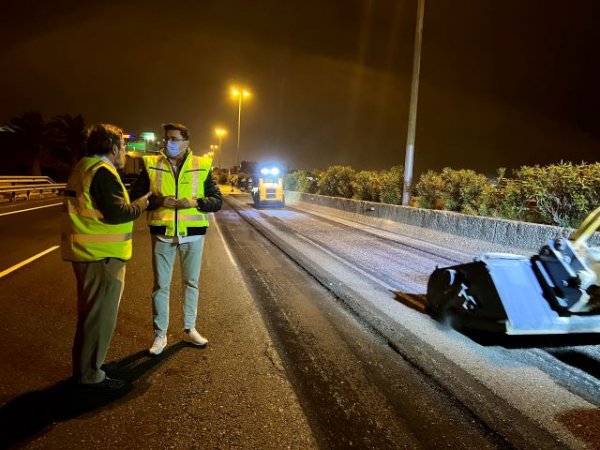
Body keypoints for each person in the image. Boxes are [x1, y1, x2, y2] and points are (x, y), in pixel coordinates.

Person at [61, 123, 150, 390]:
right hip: (101, 257)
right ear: (112, 147)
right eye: (123, 146)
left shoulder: (84, 166)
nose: (125, 151)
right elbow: (118, 212)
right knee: (99, 318)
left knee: (91, 316)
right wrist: (142, 204)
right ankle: (90, 376)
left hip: (89, 254)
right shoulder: (102, 171)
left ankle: (89, 367)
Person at [131, 122, 222, 356]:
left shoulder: (201, 165)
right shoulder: (152, 164)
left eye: (174, 139)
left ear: (186, 142)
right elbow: (136, 196)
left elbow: (217, 201)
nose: (169, 143)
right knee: (161, 285)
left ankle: (190, 328)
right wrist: (159, 201)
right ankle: (159, 335)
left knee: (191, 284)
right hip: (162, 233)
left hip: (193, 235)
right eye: (167, 138)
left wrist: (195, 203)